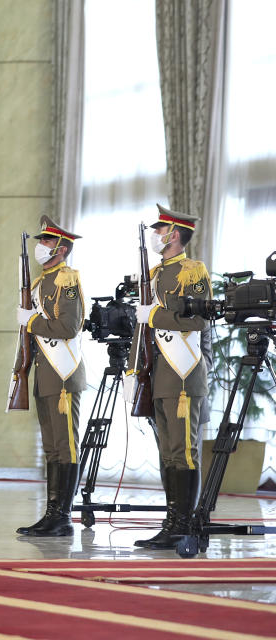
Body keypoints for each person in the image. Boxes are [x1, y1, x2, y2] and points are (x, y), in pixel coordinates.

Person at [125, 205, 210, 549]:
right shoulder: (155, 273)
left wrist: (156, 314)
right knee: (167, 454)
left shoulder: (192, 271)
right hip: (158, 375)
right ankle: (171, 521)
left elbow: (198, 320)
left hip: (183, 374)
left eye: (160, 230)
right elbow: (141, 332)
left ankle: (183, 524)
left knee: (182, 451)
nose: (156, 235)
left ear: (174, 234)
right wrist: (133, 371)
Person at [15, 216, 86, 537]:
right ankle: (51, 512)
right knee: (52, 448)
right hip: (45, 375)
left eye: (46, 242)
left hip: (62, 374)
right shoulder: (42, 282)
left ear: (61, 248)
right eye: (41, 241)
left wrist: (32, 322)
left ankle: (63, 515)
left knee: (65, 445)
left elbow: (68, 328)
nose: (40, 247)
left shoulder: (66, 280)